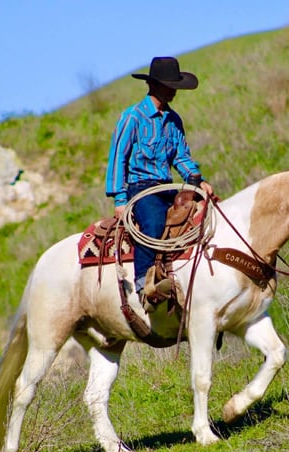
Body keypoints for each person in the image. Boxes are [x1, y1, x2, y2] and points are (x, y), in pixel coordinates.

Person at [105, 56, 214, 312]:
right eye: (169, 86)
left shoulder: (173, 120)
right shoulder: (133, 117)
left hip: (167, 187)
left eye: (175, 86)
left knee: (199, 217)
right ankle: (144, 284)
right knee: (153, 223)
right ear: (154, 85)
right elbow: (118, 157)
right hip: (141, 188)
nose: (174, 91)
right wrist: (120, 199)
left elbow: (181, 156)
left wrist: (197, 179)